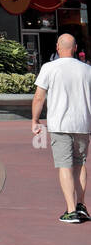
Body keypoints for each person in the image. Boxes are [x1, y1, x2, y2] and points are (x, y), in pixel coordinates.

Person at [32, 33, 91, 223]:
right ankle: (81, 205)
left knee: (64, 165)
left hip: (59, 124)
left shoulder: (49, 68)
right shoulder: (87, 69)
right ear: (75, 49)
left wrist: (35, 120)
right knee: (80, 163)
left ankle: (71, 210)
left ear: (58, 47)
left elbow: (39, 97)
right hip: (82, 123)